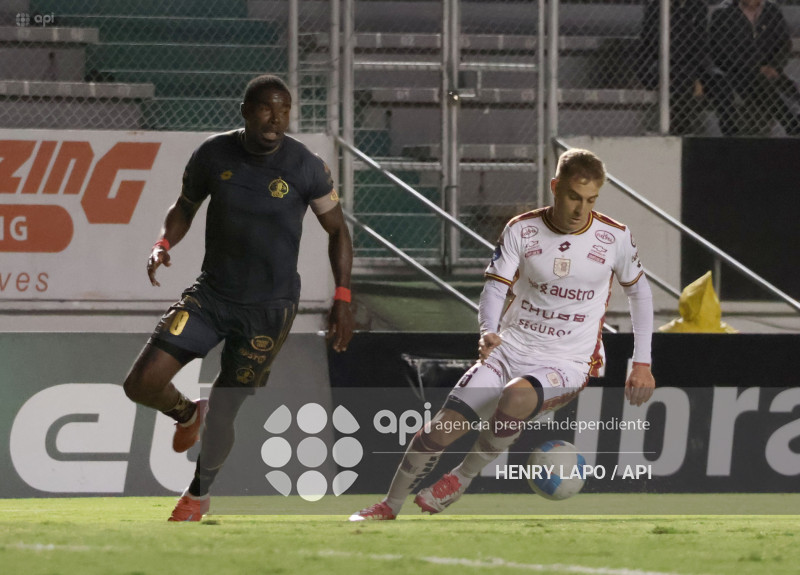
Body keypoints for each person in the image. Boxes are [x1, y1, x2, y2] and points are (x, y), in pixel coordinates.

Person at [350, 149, 656, 521]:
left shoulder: (614, 237)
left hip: (567, 362)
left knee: (516, 396)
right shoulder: (522, 229)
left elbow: (640, 293)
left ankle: (460, 479)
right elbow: (495, 287)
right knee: (437, 434)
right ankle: (389, 505)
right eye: (574, 197)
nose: (581, 209)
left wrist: (642, 362)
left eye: (591, 200)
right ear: (556, 187)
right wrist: (488, 331)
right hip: (508, 350)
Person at [122, 74, 354, 522]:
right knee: (141, 383)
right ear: (246, 111)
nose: (276, 118)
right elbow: (184, 205)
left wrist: (342, 295)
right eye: (267, 108)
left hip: (269, 310)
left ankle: (198, 495)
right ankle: (188, 413)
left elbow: (338, 230)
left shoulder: (307, 166)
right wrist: (162, 244)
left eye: (284, 109)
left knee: (226, 411)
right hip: (212, 296)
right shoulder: (213, 153)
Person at [709, 0, 800, 135]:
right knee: (761, 82)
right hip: (735, 71)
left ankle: (793, 119)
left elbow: (784, 44)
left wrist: (774, 66)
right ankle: (791, 122)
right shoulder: (723, 14)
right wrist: (756, 67)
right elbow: (723, 51)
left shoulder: (772, 11)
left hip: (769, 69)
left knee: (787, 85)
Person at [638, 0, 711, 134]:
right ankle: (678, 128)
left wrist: (699, 76)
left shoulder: (697, 8)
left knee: (684, 74)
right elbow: (649, 42)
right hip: (659, 61)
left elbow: (700, 45)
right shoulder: (655, 7)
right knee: (678, 74)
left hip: (686, 64)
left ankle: (677, 128)